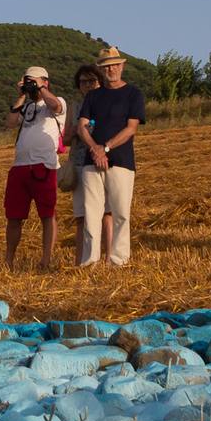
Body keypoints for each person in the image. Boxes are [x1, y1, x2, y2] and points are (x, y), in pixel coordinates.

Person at [75, 47, 146, 266]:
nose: (111, 69)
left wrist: (105, 148)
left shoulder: (133, 94)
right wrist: (95, 149)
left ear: (122, 66)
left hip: (121, 161)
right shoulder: (93, 96)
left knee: (121, 213)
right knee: (91, 214)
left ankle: (118, 261)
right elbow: (82, 127)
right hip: (91, 163)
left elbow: (131, 128)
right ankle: (90, 262)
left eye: (114, 65)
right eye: (106, 66)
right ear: (101, 70)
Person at [1, 66, 65, 271]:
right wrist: (21, 96)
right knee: (13, 216)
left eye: (33, 81)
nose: (30, 85)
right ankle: (9, 261)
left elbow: (55, 105)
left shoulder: (57, 101)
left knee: (47, 214)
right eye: (26, 81)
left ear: (45, 82)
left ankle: (46, 260)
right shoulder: (27, 107)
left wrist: (41, 88)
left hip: (44, 165)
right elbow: (10, 123)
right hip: (19, 167)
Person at [63, 65, 106, 261]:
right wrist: (77, 130)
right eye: (83, 82)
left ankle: (107, 256)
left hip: (102, 162)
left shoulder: (108, 102)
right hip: (79, 162)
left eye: (92, 81)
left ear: (100, 82)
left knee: (105, 213)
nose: (88, 85)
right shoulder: (75, 106)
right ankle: (81, 260)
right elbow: (64, 140)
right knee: (81, 216)